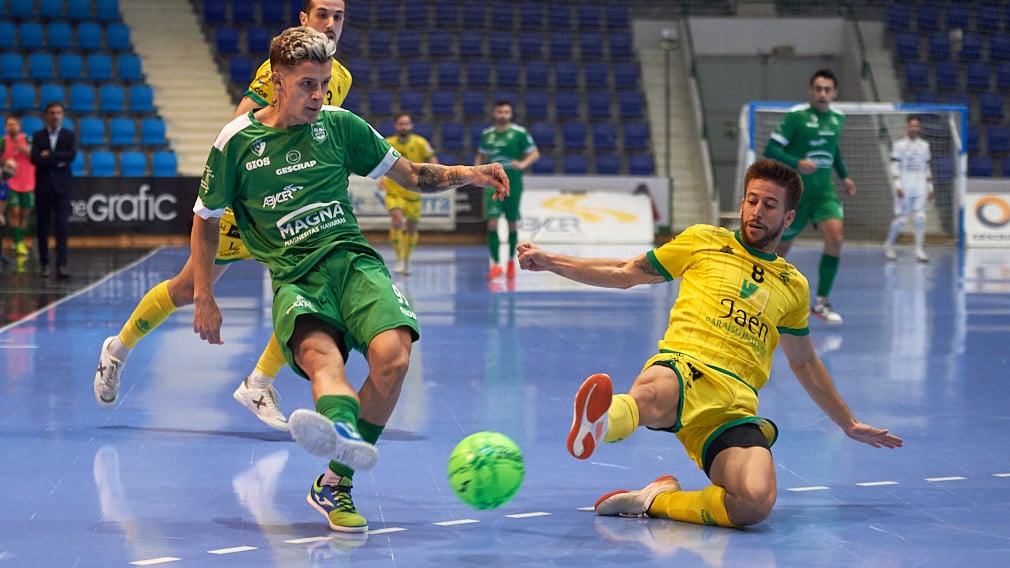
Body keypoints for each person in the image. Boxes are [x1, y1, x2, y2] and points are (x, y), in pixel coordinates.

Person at [190, 26, 508, 533]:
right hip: (296, 277)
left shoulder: (340, 125)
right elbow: (205, 219)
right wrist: (204, 294)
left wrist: (468, 173)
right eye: (306, 85)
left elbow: (411, 176)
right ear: (276, 82)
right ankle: (339, 427)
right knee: (322, 357)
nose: (318, 95)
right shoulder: (237, 142)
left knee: (395, 356)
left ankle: (332, 480)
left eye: (322, 83)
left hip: (354, 262)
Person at [516, 158, 901, 528]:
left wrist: (847, 422)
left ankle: (655, 499)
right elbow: (625, 272)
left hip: (732, 408)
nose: (756, 211)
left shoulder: (793, 286)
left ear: (788, 218)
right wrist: (551, 261)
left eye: (769, 205)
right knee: (649, 396)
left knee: (754, 502)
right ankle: (601, 422)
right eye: (751, 200)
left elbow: (804, 362)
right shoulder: (704, 240)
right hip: (685, 369)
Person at [93, 0, 351, 431]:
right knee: (186, 287)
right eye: (322, 14)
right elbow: (241, 123)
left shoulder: (339, 78)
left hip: (291, 209)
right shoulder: (278, 73)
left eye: (338, 16)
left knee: (312, 291)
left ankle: (258, 382)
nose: (330, 24)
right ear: (303, 20)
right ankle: (116, 351)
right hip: (251, 203)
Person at [764, 68, 856, 324]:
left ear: (834, 93)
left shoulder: (838, 119)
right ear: (810, 91)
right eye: (818, 88)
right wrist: (797, 161)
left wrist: (844, 175)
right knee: (779, 251)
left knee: (836, 240)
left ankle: (821, 302)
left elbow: (832, 149)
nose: (822, 93)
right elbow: (771, 148)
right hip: (795, 193)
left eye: (827, 89)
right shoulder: (796, 117)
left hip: (824, 192)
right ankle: (766, 299)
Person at [475, 99, 539, 280]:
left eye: (506, 112)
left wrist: (523, 164)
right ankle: (495, 265)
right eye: (500, 112)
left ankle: (511, 262)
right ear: (495, 113)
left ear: (510, 114)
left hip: (513, 182)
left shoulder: (519, 133)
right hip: (492, 183)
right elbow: (480, 155)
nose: (502, 115)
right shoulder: (487, 135)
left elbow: (534, 152)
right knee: (492, 223)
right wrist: (476, 173)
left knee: (512, 222)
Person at [376, 112, 439, 275]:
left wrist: (433, 177)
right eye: (400, 124)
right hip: (394, 190)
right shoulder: (388, 143)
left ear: (411, 125)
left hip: (414, 191)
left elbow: (434, 162)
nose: (403, 127)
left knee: (411, 227)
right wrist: (382, 178)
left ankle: (407, 258)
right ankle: (399, 259)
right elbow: (381, 162)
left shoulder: (420, 143)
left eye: (406, 124)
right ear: (396, 126)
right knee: (396, 220)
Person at [30, 101, 77, 280]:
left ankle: (62, 264)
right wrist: (58, 159)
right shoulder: (38, 136)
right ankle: (44, 264)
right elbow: (35, 158)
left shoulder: (68, 135)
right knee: (42, 227)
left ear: (62, 115)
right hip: (43, 188)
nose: (55, 116)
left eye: (58, 113)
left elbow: (71, 155)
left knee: (62, 227)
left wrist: (49, 156)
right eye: (52, 113)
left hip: (62, 188)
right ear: (46, 115)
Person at [883, 116, 933, 263]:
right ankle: (889, 245)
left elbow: (927, 167)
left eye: (917, 126)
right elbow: (894, 166)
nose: (914, 128)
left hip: (920, 187)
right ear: (907, 127)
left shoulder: (925, 146)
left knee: (920, 217)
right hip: (904, 186)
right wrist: (898, 185)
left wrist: (930, 188)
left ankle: (919, 249)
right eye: (912, 126)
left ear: (919, 128)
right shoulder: (899, 145)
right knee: (901, 220)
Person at [1, 115, 36, 258]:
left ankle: (19, 240)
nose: (12, 127)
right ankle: (18, 242)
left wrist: (26, 150)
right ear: (5, 127)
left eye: (14, 124)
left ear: (19, 127)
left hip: (28, 182)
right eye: (9, 125)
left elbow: (37, 157)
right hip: (11, 183)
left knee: (24, 213)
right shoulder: (3, 142)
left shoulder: (27, 140)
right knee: (14, 211)